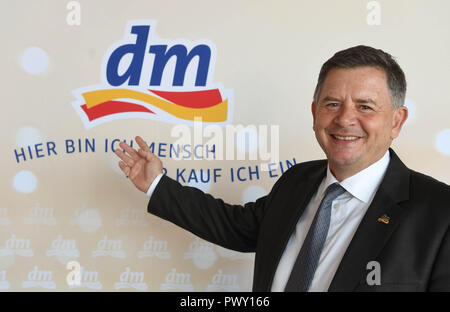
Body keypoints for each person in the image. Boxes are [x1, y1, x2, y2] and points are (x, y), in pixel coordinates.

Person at [114, 45, 450, 292]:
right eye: (332, 104)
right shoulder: (297, 181)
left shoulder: (439, 212)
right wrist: (157, 184)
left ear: (396, 120)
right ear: (315, 112)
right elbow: (236, 227)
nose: (345, 119)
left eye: (365, 106)